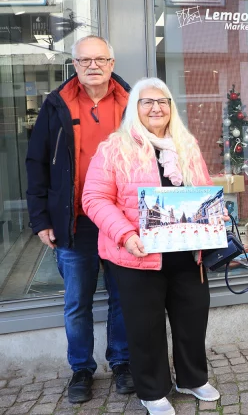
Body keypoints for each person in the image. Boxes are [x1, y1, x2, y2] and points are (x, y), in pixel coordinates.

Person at [82, 78, 223, 414]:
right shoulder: (115, 148)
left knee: (192, 319)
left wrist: (213, 219)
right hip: (138, 255)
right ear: (135, 108)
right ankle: (152, 389)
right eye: (146, 102)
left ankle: (191, 379)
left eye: (163, 101)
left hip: (188, 254)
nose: (156, 107)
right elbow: (94, 198)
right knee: (145, 327)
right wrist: (125, 235)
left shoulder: (186, 145)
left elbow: (202, 190)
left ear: (171, 107)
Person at [25, 35, 133, 403]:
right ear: (74, 65)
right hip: (75, 221)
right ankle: (81, 370)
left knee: (123, 298)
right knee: (76, 302)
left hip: (123, 221)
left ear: (112, 64)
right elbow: (36, 164)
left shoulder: (132, 103)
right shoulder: (56, 106)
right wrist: (40, 219)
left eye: (100, 59)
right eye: (85, 60)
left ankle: (122, 362)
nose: (93, 66)